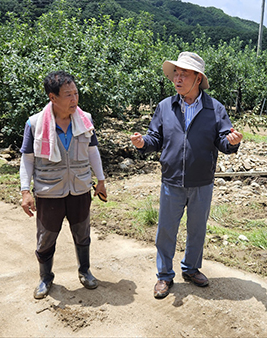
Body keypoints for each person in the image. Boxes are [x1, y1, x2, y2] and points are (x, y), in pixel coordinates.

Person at [130, 52, 243, 299]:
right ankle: (164, 276)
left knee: (197, 229)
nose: (177, 79)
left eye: (184, 74)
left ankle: (191, 269)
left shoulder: (215, 108)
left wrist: (232, 142)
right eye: (175, 74)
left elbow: (223, 141)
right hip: (171, 180)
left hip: (202, 181)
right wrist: (142, 143)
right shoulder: (165, 106)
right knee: (166, 230)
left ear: (198, 78)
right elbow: (155, 138)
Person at [19, 70, 108, 299]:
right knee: (46, 237)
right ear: (52, 97)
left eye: (76, 93)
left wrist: (101, 180)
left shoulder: (85, 119)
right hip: (50, 192)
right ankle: (45, 278)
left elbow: (92, 151)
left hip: (79, 189)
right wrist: (25, 191)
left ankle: (85, 271)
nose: (74, 99)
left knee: (82, 233)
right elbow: (27, 159)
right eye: (68, 95)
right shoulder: (35, 123)